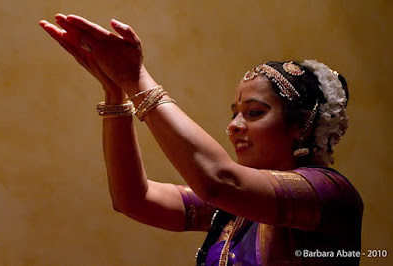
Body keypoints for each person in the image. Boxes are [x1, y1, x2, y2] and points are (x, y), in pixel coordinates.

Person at [39, 14, 363, 265]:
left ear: (301, 123)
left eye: (253, 113)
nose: (234, 126)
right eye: (234, 113)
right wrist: (115, 94)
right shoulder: (236, 208)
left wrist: (136, 79)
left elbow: (218, 181)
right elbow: (135, 200)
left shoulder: (329, 193)